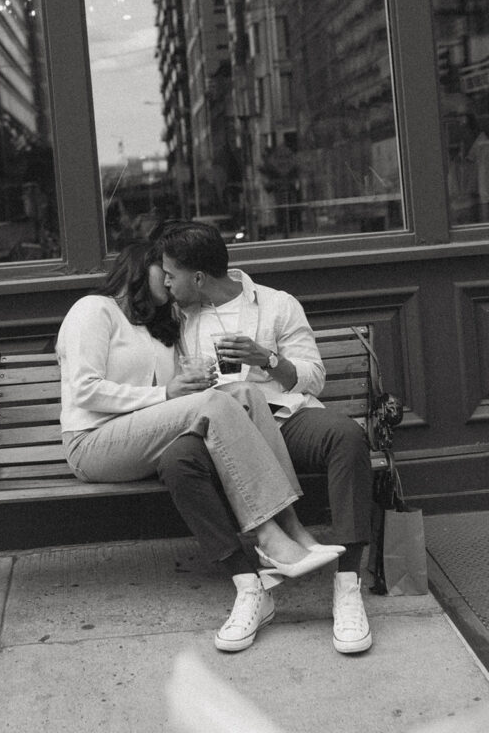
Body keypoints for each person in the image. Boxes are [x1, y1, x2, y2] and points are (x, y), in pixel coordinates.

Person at [56, 241, 343, 653]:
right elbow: (84, 391)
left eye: (176, 273)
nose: (171, 281)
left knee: (243, 391)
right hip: (95, 444)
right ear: (141, 267)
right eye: (164, 270)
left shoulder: (157, 326)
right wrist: (166, 394)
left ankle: (293, 528)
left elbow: (174, 397)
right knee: (219, 401)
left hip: (143, 436)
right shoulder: (93, 310)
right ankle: (268, 537)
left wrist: (188, 382)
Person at [159, 221, 374, 655]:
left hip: (283, 418)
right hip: (220, 428)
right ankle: (249, 586)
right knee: (176, 462)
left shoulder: (276, 305)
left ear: (198, 277)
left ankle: (347, 585)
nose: (165, 282)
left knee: (347, 436)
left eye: (171, 274)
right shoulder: (180, 317)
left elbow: (313, 378)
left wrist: (268, 359)